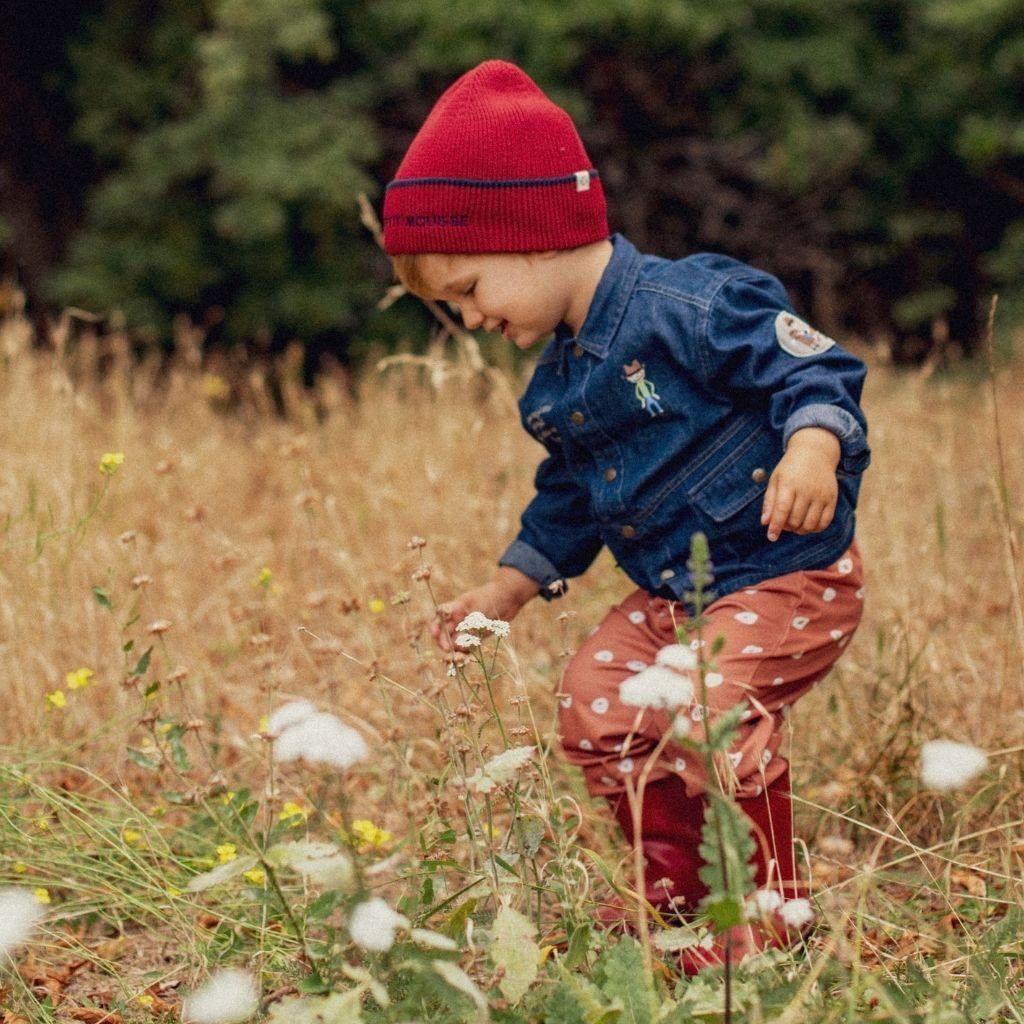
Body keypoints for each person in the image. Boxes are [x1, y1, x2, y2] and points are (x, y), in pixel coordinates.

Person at [381, 59, 869, 972]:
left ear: (528, 235)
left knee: (709, 709)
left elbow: (816, 369)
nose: (471, 319)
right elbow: (568, 498)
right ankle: (673, 882)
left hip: (786, 574)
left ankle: (766, 912)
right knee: (592, 707)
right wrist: (509, 585)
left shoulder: (695, 305)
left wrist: (813, 445)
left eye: (469, 291)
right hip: (678, 595)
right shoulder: (558, 387)